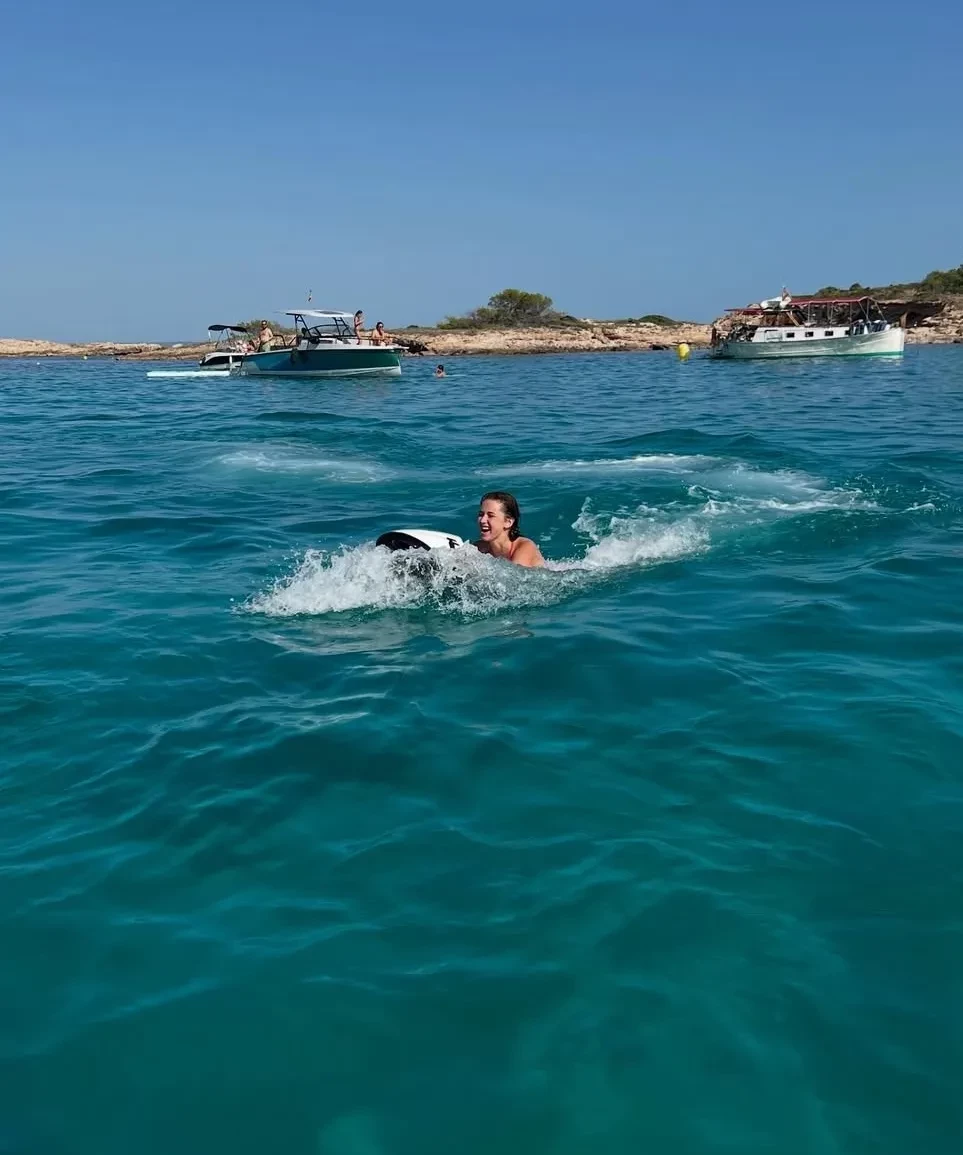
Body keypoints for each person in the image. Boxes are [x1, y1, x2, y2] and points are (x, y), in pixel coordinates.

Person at [474, 491, 544, 568]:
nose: (482, 520)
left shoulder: (525, 547)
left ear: (508, 522)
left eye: (490, 516)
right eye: (481, 514)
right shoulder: (479, 548)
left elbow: (514, 575)